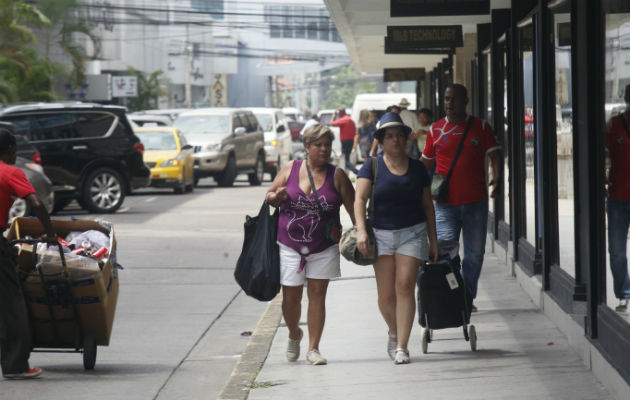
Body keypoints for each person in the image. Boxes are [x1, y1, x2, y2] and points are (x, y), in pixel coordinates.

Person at [266, 124, 355, 365]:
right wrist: (278, 197)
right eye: (318, 145)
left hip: (323, 245)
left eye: (328, 144)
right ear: (307, 147)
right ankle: (294, 333)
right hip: (289, 245)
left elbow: (353, 206)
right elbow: (270, 196)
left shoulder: (337, 175)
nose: (324, 149)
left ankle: (313, 349)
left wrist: (362, 233)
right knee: (291, 298)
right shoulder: (290, 169)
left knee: (318, 295)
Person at [354, 112, 438, 365]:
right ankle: (393, 330)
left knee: (404, 286)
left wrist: (433, 239)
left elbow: (427, 206)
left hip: (412, 233)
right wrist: (361, 230)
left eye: (399, 136)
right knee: (386, 296)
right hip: (380, 234)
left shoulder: (417, 169)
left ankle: (402, 346)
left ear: (406, 139)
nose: (395, 140)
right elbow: (359, 199)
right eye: (389, 136)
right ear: (381, 140)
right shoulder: (372, 166)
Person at [421, 83, 502, 311]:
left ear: (465, 101)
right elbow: (424, 164)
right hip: (444, 205)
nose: (449, 103)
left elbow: (495, 155)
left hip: (476, 203)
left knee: (474, 256)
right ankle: (450, 297)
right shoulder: (435, 130)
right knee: (445, 254)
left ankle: (466, 299)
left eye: (454, 99)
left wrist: (498, 178)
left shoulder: (481, 127)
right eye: (446, 99)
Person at [0, 128, 56, 380]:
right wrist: (51, 233)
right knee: (11, 303)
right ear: (11, 149)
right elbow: (35, 203)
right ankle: (15, 365)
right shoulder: (11, 171)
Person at [605, 83, 630, 312]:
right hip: (618, 198)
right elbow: (602, 153)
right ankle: (623, 293)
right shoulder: (614, 125)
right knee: (617, 250)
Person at [332, 108, 359, 175]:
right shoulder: (351, 120)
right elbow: (355, 132)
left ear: (341, 113)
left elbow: (332, 123)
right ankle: (346, 173)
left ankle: (357, 172)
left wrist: (333, 115)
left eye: (338, 114)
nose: (338, 115)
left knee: (345, 160)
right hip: (351, 141)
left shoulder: (344, 119)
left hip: (345, 141)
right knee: (347, 158)